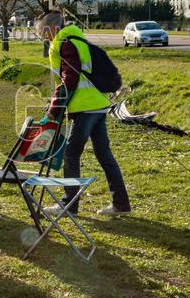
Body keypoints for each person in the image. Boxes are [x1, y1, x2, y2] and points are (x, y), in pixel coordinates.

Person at [35, 11, 131, 215]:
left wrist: (54, 110)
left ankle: (69, 205)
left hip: (85, 107)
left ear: (52, 28)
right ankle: (121, 204)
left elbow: (69, 79)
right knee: (104, 155)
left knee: (71, 154)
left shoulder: (66, 43)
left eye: (43, 32)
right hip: (97, 104)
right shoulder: (76, 38)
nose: (42, 37)